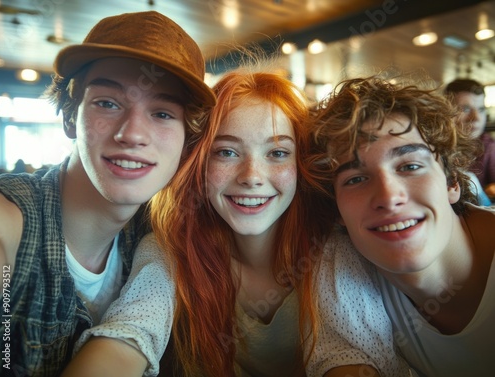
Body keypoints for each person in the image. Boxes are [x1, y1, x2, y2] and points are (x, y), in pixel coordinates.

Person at [64, 67, 411, 377]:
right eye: (226, 152)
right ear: (199, 165)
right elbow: (130, 332)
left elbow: (348, 357)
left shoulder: (333, 249)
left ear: (301, 164)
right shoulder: (170, 249)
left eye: (277, 153)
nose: (251, 177)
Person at [0, 10, 215, 376]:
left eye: (161, 113)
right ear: (69, 116)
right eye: (108, 103)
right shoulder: (11, 220)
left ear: (186, 140)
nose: (132, 134)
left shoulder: (160, 235)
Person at [312, 76, 495, 377]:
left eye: (410, 166)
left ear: (451, 181)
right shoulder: (348, 267)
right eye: (355, 179)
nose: (388, 197)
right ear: (337, 211)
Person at [445, 78, 495, 203]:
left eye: (481, 109)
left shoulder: (490, 147)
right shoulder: (434, 146)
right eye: (465, 109)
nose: (476, 118)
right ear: (446, 111)